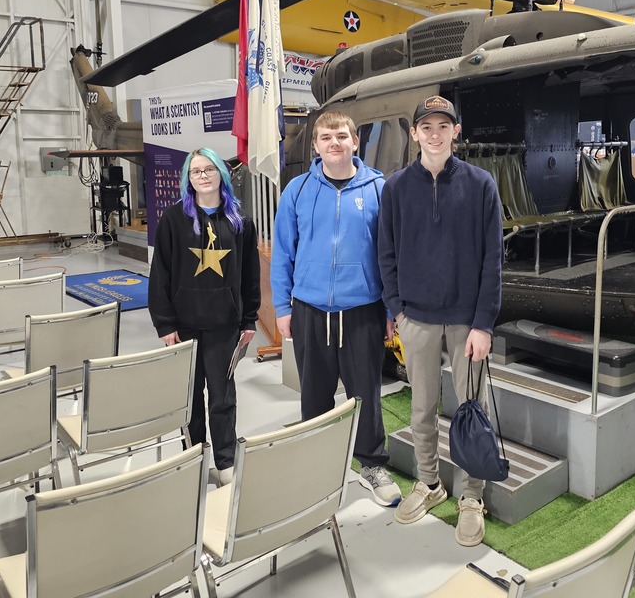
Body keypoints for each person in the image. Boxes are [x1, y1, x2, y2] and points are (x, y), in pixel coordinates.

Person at [378, 94, 503, 547]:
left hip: (467, 322)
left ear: (456, 131)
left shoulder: (482, 184)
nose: (435, 134)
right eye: (426, 127)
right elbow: (386, 254)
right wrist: (398, 310)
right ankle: (429, 483)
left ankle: (472, 496)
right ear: (414, 133)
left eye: (443, 126)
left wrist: (484, 324)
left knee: (471, 410)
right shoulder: (395, 188)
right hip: (417, 320)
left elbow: (493, 259)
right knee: (422, 408)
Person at [271, 110, 401, 507]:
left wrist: (390, 310)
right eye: (326, 137)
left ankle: (371, 464)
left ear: (355, 141)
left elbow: (390, 254)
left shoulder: (378, 189)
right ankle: (317, 464)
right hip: (310, 309)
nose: (334, 143)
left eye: (342, 136)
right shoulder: (296, 191)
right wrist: (282, 306)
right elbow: (283, 252)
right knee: (314, 395)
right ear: (315, 145)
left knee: (366, 394)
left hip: (363, 310)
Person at [148, 147, 260, 486]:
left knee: (223, 398)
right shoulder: (173, 219)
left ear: (221, 175)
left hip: (224, 327)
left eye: (209, 169)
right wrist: (165, 323)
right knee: (190, 400)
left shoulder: (240, 222)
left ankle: (225, 461)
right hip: (183, 327)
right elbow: (160, 273)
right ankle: (193, 459)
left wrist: (249, 319)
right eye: (196, 171)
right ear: (188, 178)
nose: (203, 176)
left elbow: (250, 275)